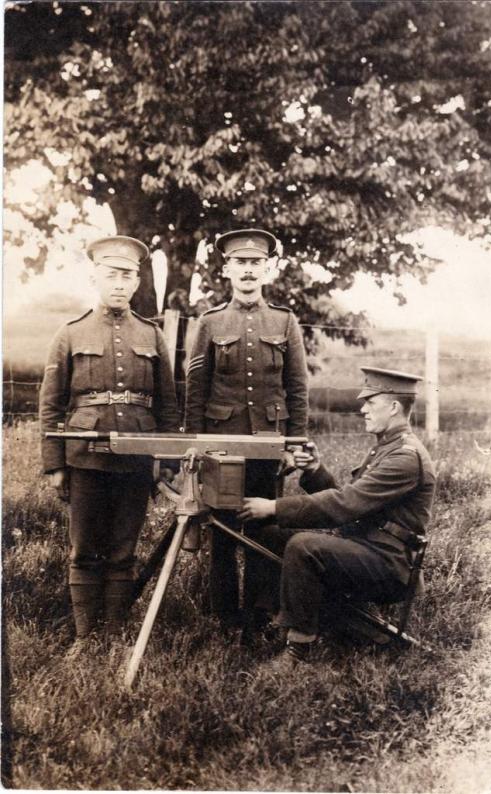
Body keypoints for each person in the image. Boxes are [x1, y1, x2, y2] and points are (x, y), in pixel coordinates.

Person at [239, 367, 436, 665]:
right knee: (269, 534)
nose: (362, 409)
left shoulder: (404, 457)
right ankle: (271, 618)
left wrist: (274, 507)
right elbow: (354, 506)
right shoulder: (387, 448)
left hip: (390, 566)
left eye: (371, 403)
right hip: (369, 549)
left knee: (304, 546)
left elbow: (344, 505)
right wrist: (314, 470)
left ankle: (298, 649)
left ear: (394, 407)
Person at [40, 235, 180, 651]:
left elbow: (168, 404)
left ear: (137, 282)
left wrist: (166, 459)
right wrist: (55, 464)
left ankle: (115, 634)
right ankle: (86, 636)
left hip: (137, 456)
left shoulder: (151, 335)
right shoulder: (69, 333)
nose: (120, 283)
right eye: (111, 275)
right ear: (95, 277)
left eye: (128, 275)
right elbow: (51, 405)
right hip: (84, 455)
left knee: (123, 548)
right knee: (85, 548)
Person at [184, 228, 308, 632]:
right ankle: (224, 616)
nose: (249, 271)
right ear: (227, 270)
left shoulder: (285, 322)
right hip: (220, 446)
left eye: (256, 264)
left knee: (264, 528)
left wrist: (293, 444)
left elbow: (297, 390)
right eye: (241, 263)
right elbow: (196, 390)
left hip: (268, 444)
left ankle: (259, 614)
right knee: (221, 531)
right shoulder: (210, 323)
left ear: (268, 270)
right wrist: (196, 445)